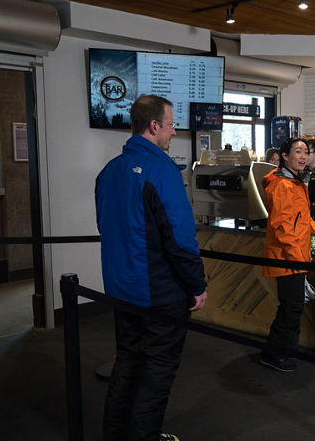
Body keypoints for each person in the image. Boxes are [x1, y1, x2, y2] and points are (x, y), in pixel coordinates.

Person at [95, 95, 207, 441]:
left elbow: (106, 226)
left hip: (121, 289)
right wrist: (197, 286)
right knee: (157, 373)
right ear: (154, 126)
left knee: (127, 363)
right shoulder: (162, 171)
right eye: (171, 124)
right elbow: (180, 239)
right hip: (161, 293)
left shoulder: (109, 172)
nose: (173, 132)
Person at [261, 137, 315, 372]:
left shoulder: (295, 183)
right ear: (284, 156)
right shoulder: (281, 185)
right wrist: (299, 262)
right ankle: (279, 355)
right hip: (287, 257)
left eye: (306, 152)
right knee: (291, 307)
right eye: (298, 151)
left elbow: (302, 222)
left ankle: (275, 352)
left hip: (294, 257)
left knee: (290, 307)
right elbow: (285, 229)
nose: (303, 156)